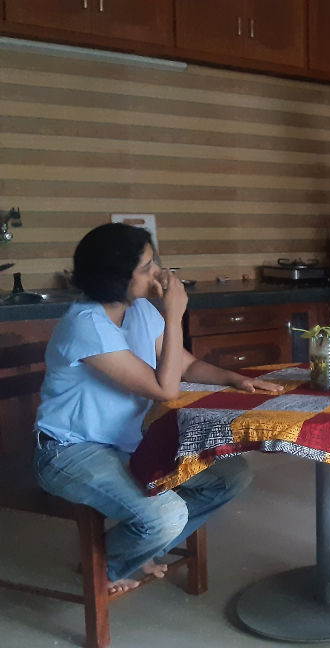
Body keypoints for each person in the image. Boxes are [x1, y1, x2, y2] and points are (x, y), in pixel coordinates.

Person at [32, 223, 283, 595]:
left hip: (125, 445)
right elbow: (166, 390)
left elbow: (184, 366)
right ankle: (105, 567)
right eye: (147, 267)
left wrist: (234, 378)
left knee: (230, 475)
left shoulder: (139, 311)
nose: (159, 273)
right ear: (117, 279)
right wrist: (174, 315)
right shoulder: (86, 325)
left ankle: (140, 548)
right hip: (68, 452)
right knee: (167, 515)